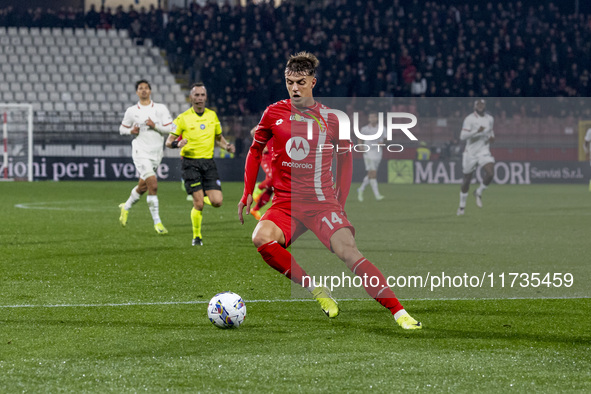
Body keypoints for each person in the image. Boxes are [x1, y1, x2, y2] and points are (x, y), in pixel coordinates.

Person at [238, 52, 422, 330]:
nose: (294, 88)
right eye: (289, 82)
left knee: (349, 252)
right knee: (261, 237)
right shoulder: (273, 113)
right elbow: (254, 151)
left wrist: (341, 201)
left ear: (313, 81)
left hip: (322, 203)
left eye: (300, 82)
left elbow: (346, 159)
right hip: (286, 203)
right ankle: (316, 289)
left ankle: (400, 313)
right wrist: (246, 193)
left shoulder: (333, 119)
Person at [165, 82, 235, 246]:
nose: (199, 98)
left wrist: (226, 146)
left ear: (206, 98)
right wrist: (177, 144)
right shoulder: (182, 118)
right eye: (196, 95)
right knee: (199, 203)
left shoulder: (212, 116)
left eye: (202, 95)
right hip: (190, 163)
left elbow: (218, 138)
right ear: (191, 98)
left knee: (217, 202)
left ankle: (198, 191)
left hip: (208, 163)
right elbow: (169, 142)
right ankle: (197, 237)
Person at [118, 79, 173, 234]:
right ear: (137, 92)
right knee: (153, 185)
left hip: (156, 153)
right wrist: (130, 131)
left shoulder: (160, 109)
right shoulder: (132, 111)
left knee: (143, 187)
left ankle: (126, 206)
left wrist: (155, 126)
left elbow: (170, 129)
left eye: (146, 88)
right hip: (140, 152)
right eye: (140, 88)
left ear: (150, 91)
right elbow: (122, 128)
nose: (143, 90)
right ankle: (158, 222)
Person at [457, 99, 495, 216]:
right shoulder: (469, 119)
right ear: (474, 106)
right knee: (467, 180)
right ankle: (462, 206)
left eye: (482, 104)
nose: (480, 106)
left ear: (485, 106)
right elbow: (462, 136)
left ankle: (478, 192)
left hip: (483, 151)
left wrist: (492, 138)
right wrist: (476, 132)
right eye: (478, 104)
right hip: (470, 153)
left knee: (490, 174)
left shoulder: (490, 119)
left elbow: (491, 133)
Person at [357, 112, 385, 202]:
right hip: (368, 152)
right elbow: (360, 138)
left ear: (377, 118)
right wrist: (360, 145)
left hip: (378, 153)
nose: (372, 118)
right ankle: (377, 195)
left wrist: (383, 143)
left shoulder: (383, 128)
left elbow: (385, 139)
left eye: (374, 117)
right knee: (373, 173)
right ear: (368, 119)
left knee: (371, 174)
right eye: (370, 117)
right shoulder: (364, 129)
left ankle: (361, 189)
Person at [249, 126, 274, 220]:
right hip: (266, 157)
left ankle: (255, 209)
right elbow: (253, 131)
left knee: (272, 187)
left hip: (275, 156)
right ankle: (258, 187)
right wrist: (261, 143)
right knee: (272, 179)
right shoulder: (268, 121)